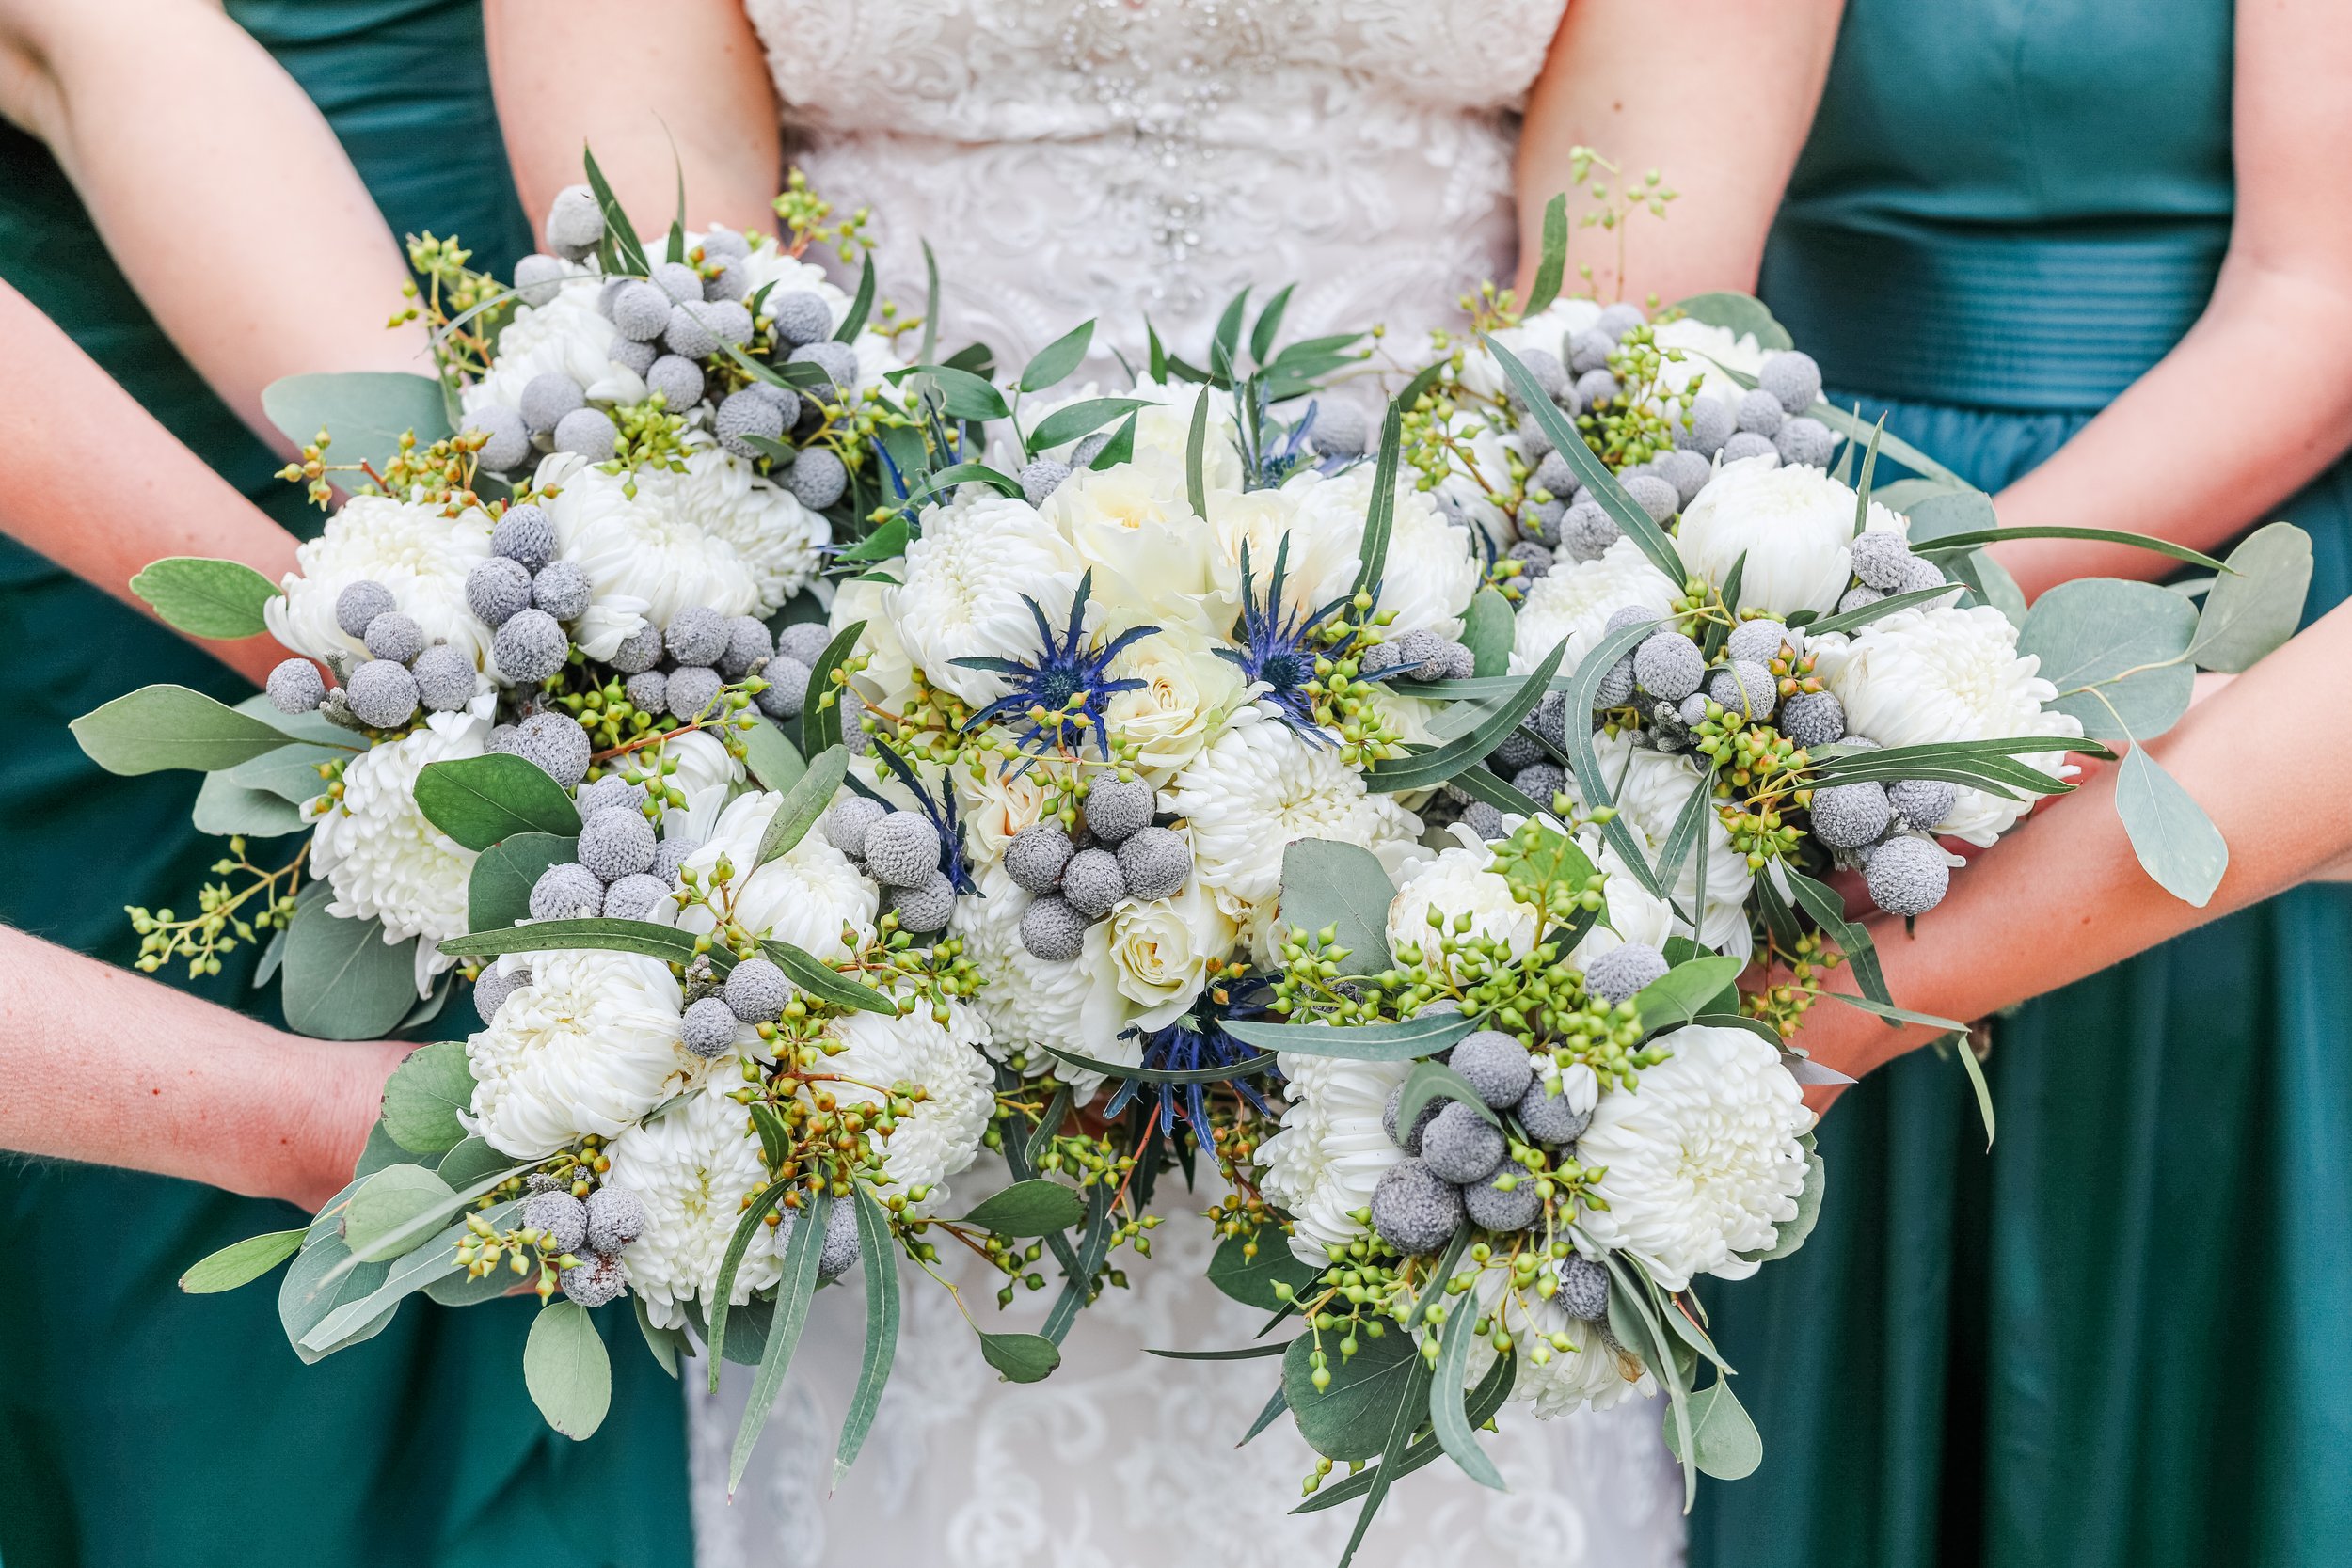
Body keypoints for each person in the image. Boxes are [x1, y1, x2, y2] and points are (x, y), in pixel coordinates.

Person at [482, 2, 1832, 1561]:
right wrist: (905, 792)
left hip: (1429, 764)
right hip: (885, 808)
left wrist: (1410, 781)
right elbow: (679, 308)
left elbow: (1621, 320)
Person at [1661, 3, 2352, 1566]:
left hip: (2188, 588)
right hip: (1780, 530)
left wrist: (1896, 668)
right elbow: (1639, 274)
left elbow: (2319, 300)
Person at [0, 4, 690, 1563]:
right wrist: (349, 621)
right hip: (105, 438)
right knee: (190, 1379)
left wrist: (486, 538)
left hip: (484, 320)